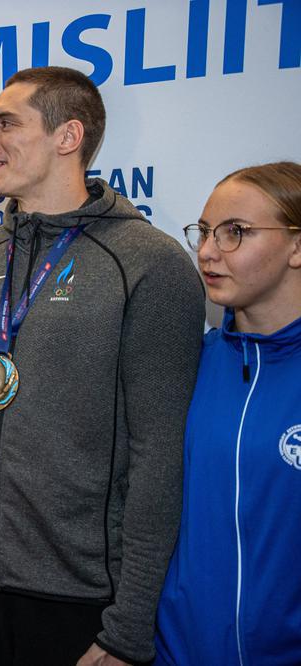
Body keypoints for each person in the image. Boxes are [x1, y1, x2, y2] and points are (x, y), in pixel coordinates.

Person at [0, 66, 205, 665]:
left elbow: (159, 456)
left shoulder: (149, 264)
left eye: (6, 123)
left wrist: (129, 624)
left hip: (82, 604)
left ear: (67, 137)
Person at [154, 161, 301, 665]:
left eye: (235, 232)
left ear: (297, 246)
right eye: (206, 231)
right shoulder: (189, 364)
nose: (208, 251)